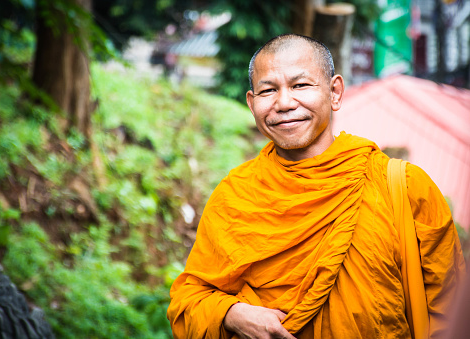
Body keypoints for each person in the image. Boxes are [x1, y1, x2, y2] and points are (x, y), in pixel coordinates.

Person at [166, 34, 466, 339]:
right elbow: (189, 302)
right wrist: (231, 314)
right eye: (268, 90)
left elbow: (451, 311)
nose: (284, 103)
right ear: (251, 102)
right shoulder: (235, 196)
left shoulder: (403, 187)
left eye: (300, 86)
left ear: (334, 92)